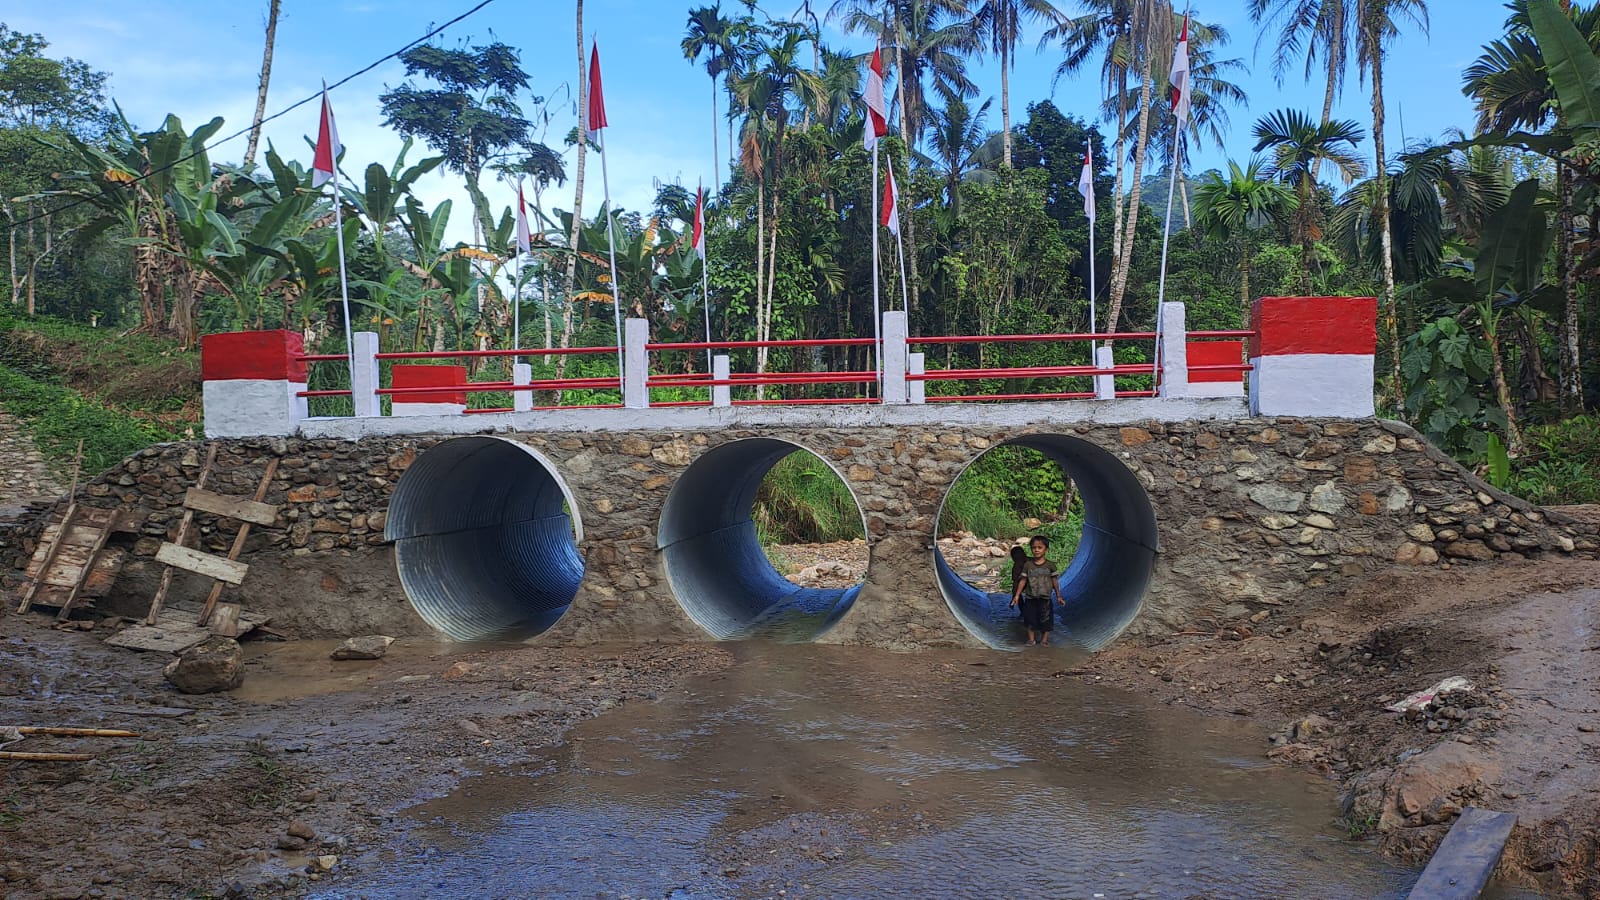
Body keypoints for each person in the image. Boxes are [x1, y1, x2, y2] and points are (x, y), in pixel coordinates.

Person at [1009, 535, 1063, 646]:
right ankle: (1031, 639)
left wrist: (1058, 595)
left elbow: (1055, 580)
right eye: (1034, 548)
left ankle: (1044, 640)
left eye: (1040, 547)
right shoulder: (1027, 565)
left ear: (1046, 549)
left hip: (1045, 597)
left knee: (1046, 619)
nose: (1036, 550)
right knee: (1029, 618)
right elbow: (1020, 581)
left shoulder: (1050, 565)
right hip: (1030, 597)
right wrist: (1016, 595)